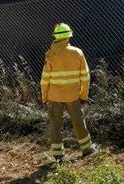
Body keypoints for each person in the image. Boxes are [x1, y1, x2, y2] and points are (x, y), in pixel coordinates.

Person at [41, 23, 96, 163]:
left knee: (55, 126)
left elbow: (44, 79)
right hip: (73, 96)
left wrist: (45, 97)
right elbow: (85, 77)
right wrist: (84, 96)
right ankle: (87, 149)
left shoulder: (50, 54)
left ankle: (58, 157)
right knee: (79, 122)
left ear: (55, 37)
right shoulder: (77, 53)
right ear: (69, 36)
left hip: (54, 97)